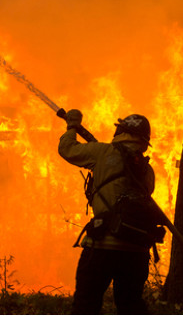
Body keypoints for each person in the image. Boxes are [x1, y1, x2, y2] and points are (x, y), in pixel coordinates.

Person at [58, 109, 159, 314]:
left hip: (102, 246)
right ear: (143, 141)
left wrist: (72, 126)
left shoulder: (102, 153)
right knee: (131, 307)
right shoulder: (147, 170)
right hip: (136, 251)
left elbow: (67, 149)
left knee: (86, 306)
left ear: (120, 132)